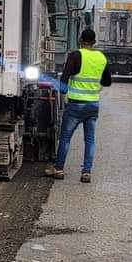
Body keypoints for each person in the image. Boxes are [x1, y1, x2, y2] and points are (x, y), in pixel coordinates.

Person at [45, 26, 111, 183]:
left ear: (81, 41)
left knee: (66, 137)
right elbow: (107, 81)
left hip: (75, 105)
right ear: (94, 42)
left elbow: (65, 78)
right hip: (93, 105)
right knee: (90, 140)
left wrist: (62, 92)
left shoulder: (75, 55)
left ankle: (59, 169)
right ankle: (86, 172)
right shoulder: (102, 58)